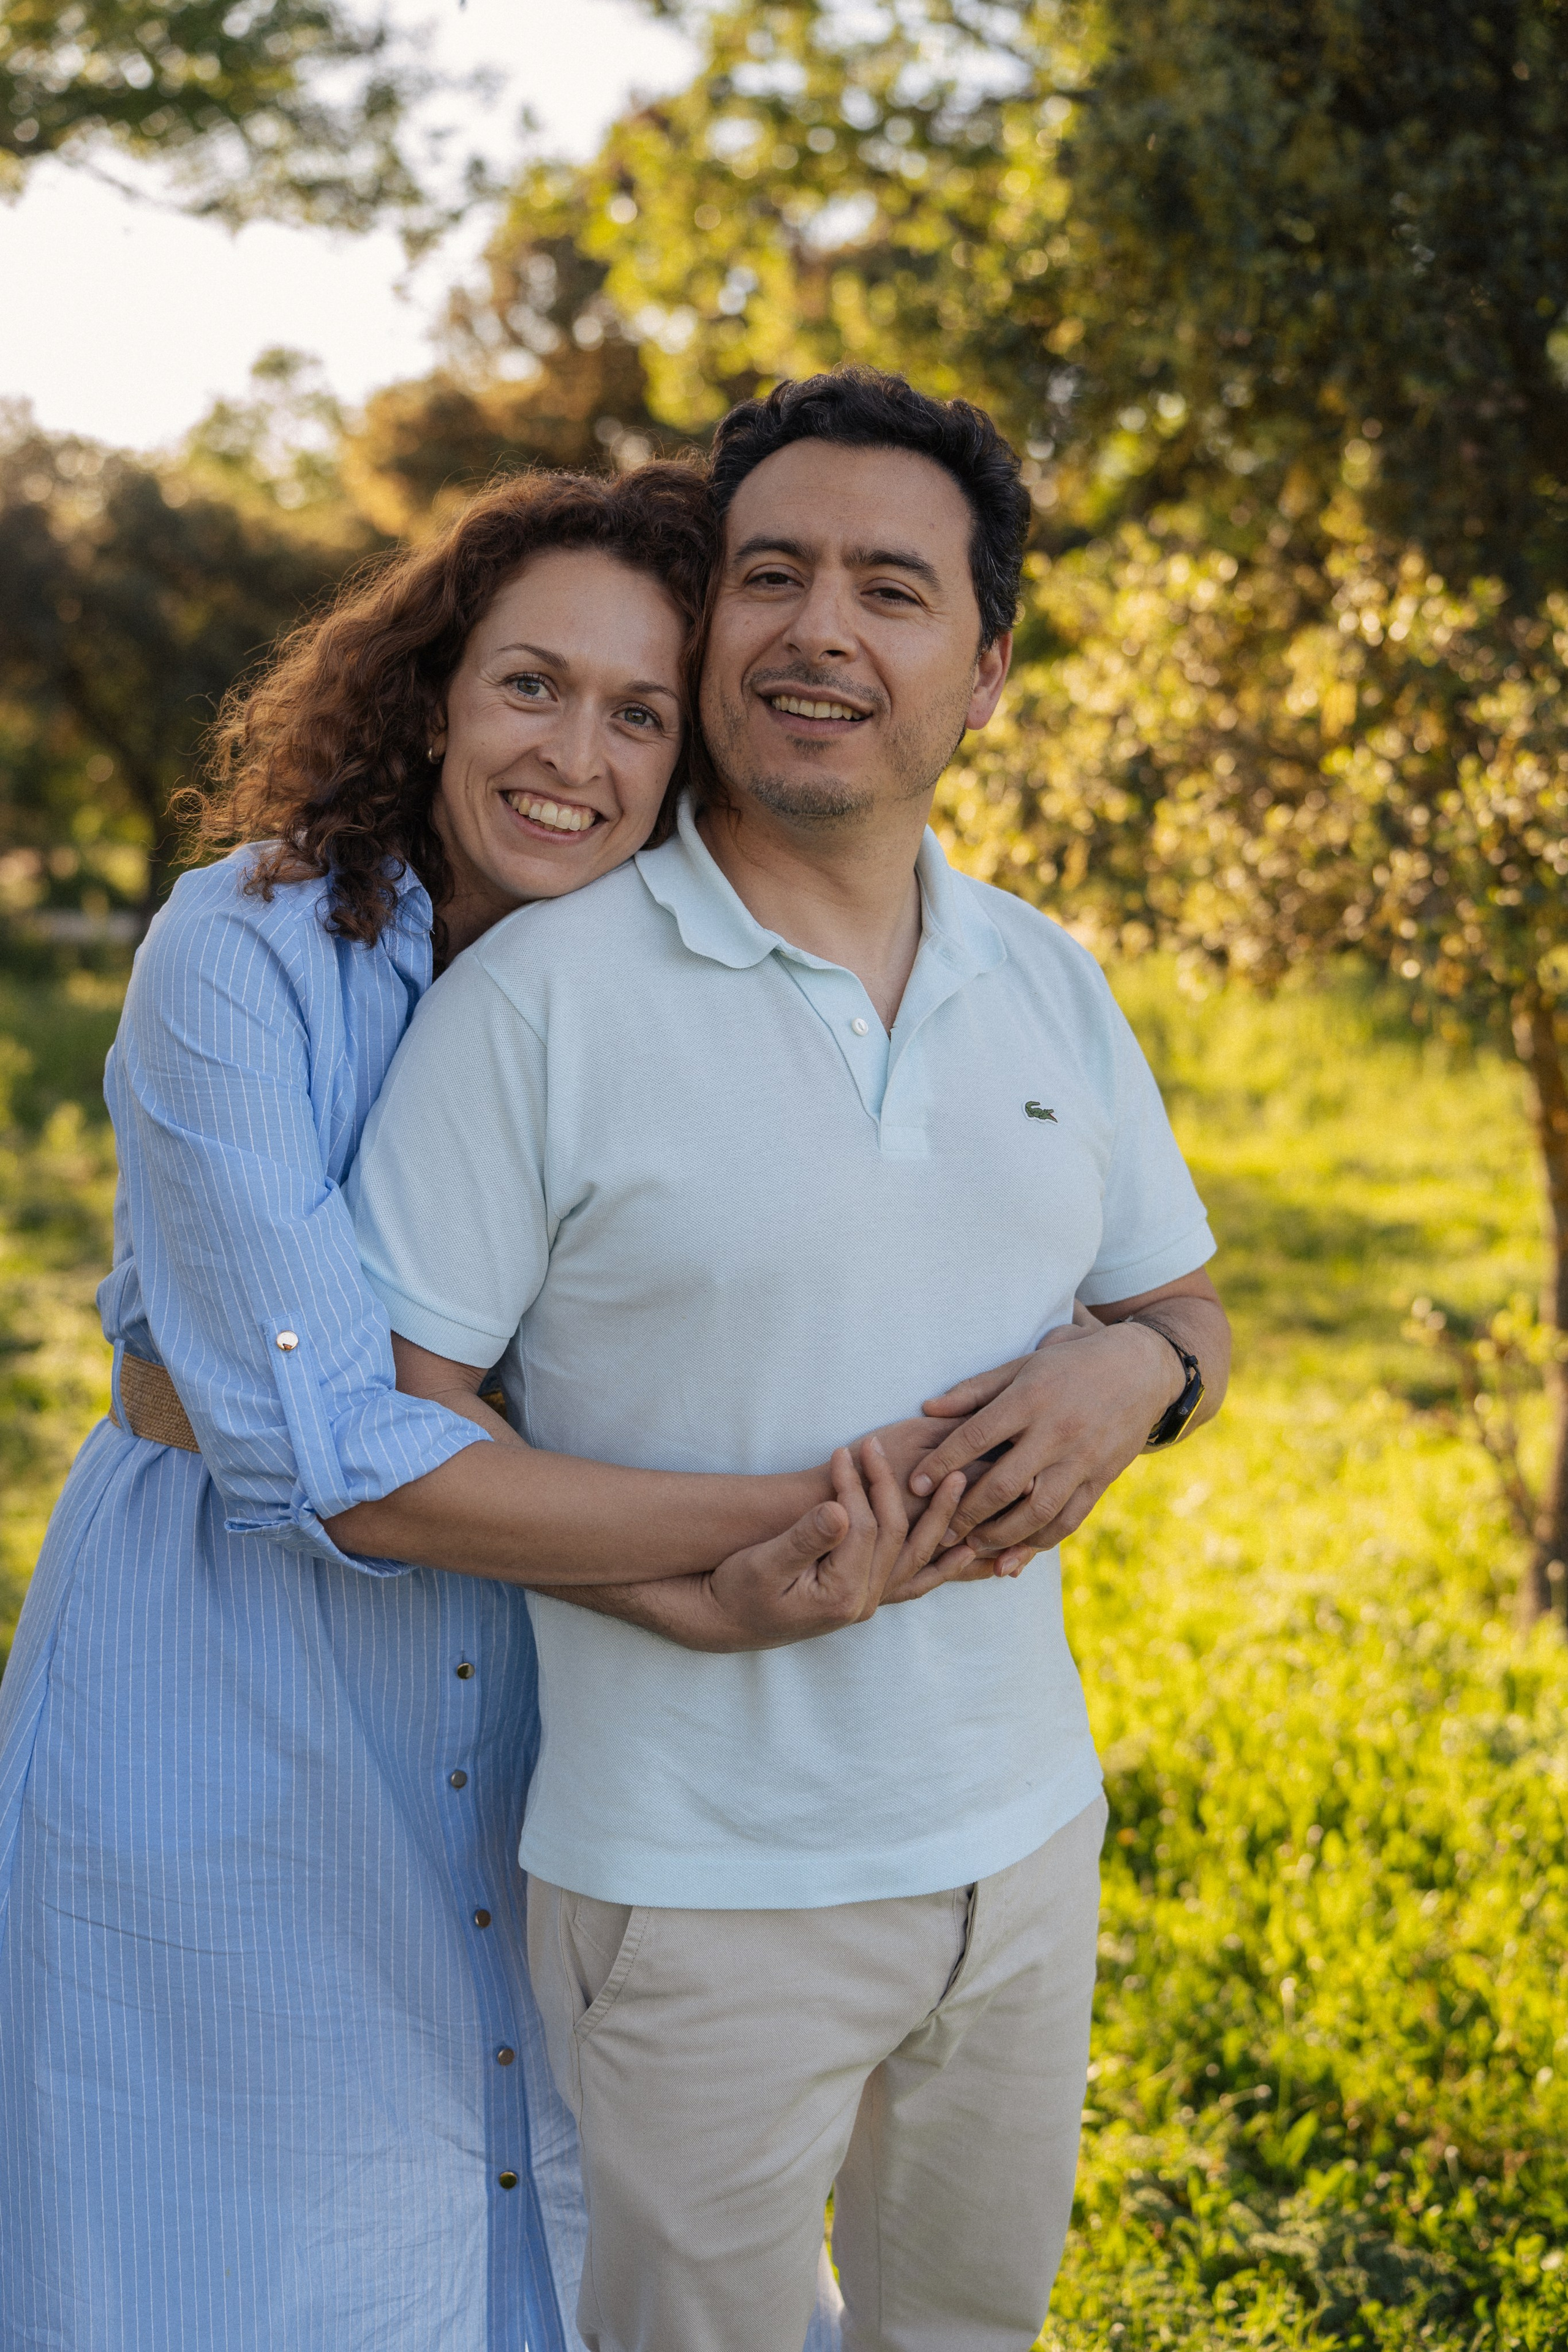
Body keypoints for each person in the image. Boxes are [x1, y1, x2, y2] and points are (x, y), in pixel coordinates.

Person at [0, 462, 981, 2352]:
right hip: (233, 1699)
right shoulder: (249, 949)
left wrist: (1145, 1353)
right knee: (226, 2242)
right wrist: (753, 1533)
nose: (575, 757)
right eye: (532, 685)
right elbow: (321, 1450)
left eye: (636, 711)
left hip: (562, 1688)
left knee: (551, 2193)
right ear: (438, 690)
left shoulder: (679, 995)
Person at [349, 370, 1233, 2352]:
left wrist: (1135, 1383)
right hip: (697, 1892)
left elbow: (1185, 1307)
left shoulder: (1049, 979)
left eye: (893, 589)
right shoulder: (542, 1002)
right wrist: (709, 1591)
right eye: (775, 574)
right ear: (715, 620)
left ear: (985, 668)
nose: (823, 627)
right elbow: (389, 1443)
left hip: (1025, 1842)